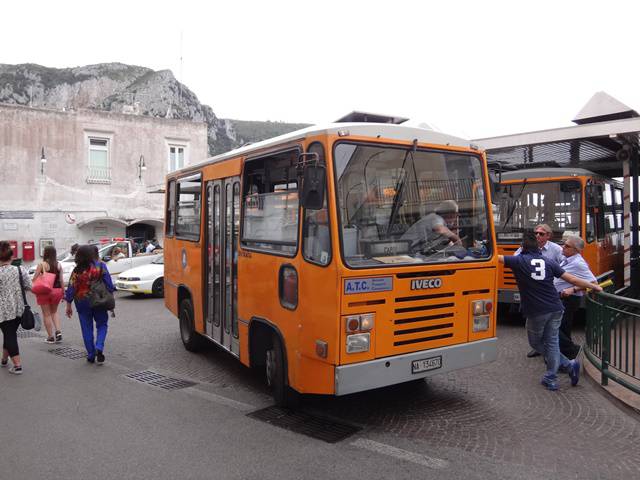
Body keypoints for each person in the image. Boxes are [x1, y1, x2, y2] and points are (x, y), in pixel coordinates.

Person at [499, 231, 602, 391]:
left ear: (522, 247)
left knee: (537, 343)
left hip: (536, 310)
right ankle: (552, 376)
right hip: (556, 307)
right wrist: (594, 286)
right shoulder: (548, 261)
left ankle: (567, 365)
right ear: (538, 248)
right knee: (552, 342)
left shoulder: (518, 260)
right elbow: (573, 280)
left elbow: (495, 258)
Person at [515, 224, 565, 358]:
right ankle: (543, 350)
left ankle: (555, 358)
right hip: (533, 294)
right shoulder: (525, 248)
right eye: (535, 233)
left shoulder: (556, 249)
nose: (537, 235)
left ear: (548, 236)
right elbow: (516, 259)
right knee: (536, 328)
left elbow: (565, 266)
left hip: (550, 293)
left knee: (549, 331)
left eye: (541, 234)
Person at [64, 245, 115, 365]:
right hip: (99, 300)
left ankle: (91, 355)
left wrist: (68, 304)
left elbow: (71, 288)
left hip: (82, 301)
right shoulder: (100, 266)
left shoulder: (77, 270)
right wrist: (110, 297)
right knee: (102, 324)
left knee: (86, 328)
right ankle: (99, 347)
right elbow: (109, 285)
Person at [554, 235, 597, 359]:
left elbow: (593, 283)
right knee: (563, 327)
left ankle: (570, 352)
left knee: (557, 327)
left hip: (568, 299)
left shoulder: (578, 263)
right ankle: (564, 355)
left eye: (567, 246)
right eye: (564, 244)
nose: (563, 247)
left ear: (576, 250)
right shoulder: (567, 259)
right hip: (562, 298)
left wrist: (573, 289)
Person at [0, 240, 32, 374]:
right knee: (10, 333)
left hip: (3, 310)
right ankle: (4, 359)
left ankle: (17, 365)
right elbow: (29, 286)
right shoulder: (20, 270)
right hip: (19, 309)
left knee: (9, 335)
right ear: (12, 256)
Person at [32, 246, 65, 343]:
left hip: (45, 291)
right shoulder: (59, 265)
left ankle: (50, 337)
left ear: (45, 253)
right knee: (54, 312)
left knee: (46, 314)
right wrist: (63, 292)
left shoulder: (42, 265)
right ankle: (58, 332)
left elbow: (34, 279)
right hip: (57, 290)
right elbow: (61, 280)